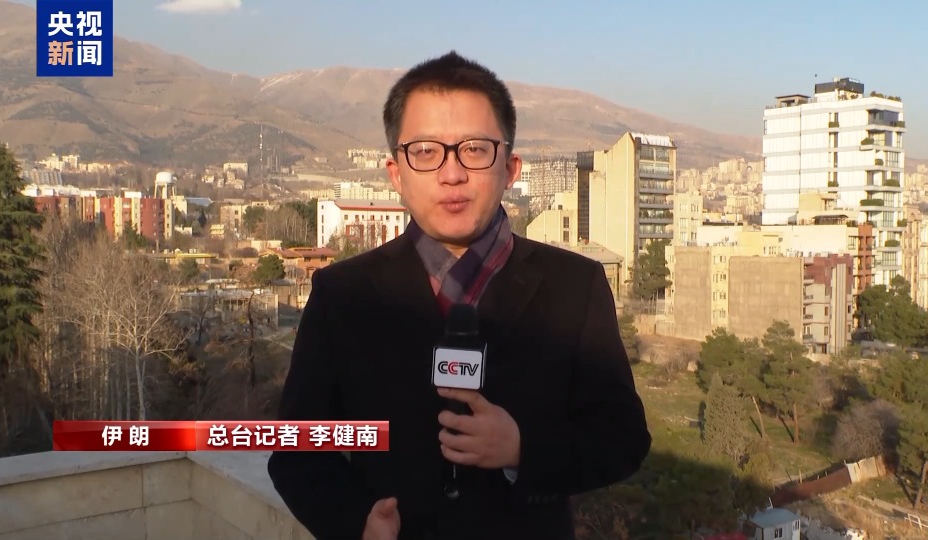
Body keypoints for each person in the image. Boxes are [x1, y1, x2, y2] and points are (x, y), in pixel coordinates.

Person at [267, 51, 651, 540]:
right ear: (396, 173)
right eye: (426, 152)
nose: (452, 174)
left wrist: (522, 448)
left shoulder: (575, 285)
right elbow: (297, 450)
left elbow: (622, 439)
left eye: (474, 149)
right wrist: (355, 521)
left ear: (510, 168)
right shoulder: (343, 294)